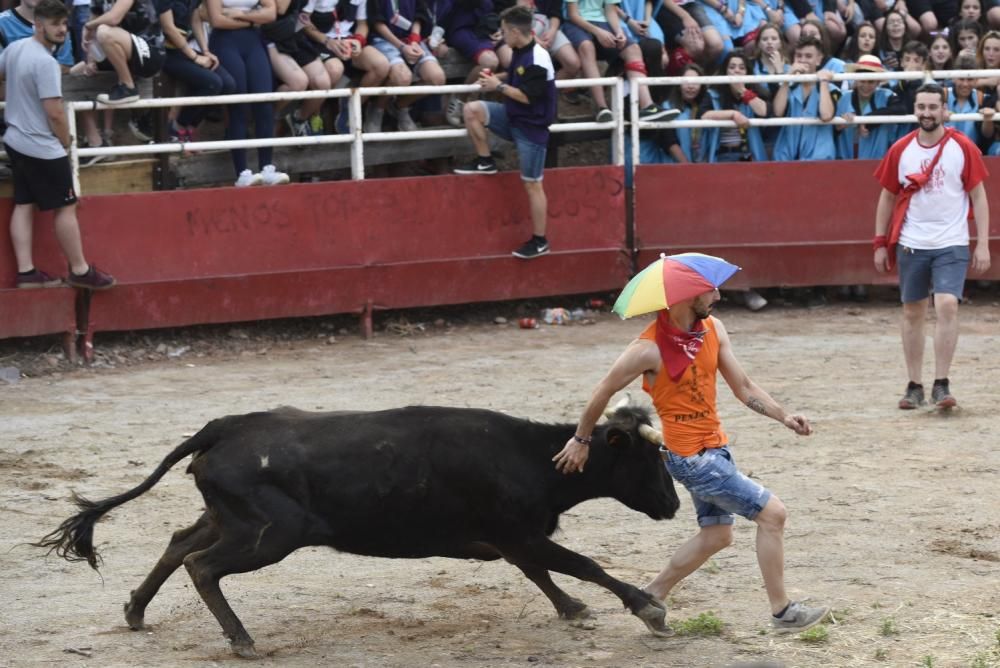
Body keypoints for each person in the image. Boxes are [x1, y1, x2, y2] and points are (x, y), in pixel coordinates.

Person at [552, 258, 829, 634]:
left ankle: (650, 597)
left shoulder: (713, 329)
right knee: (773, 515)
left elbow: (744, 387)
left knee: (718, 535)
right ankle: (782, 612)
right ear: (684, 296)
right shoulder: (647, 349)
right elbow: (604, 389)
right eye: (709, 289)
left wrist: (783, 416)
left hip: (716, 450)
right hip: (692, 460)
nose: (717, 294)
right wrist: (581, 439)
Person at [873, 82, 991, 410]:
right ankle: (914, 384)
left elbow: (978, 197)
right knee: (912, 311)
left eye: (932, 107)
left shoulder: (963, 147)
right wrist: (880, 242)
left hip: (952, 241)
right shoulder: (901, 149)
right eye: (921, 107)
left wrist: (982, 243)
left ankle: (942, 383)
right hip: (912, 242)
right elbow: (887, 197)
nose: (926, 113)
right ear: (916, 109)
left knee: (947, 305)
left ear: (944, 110)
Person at [1, 0, 115, 290]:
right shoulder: (45, 62)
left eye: (64, 23)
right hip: (41, 146)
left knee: (24, 203)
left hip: (15, 139)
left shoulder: (15, 49)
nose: (62, 29)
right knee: (66, 206)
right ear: (38, 24)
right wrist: (66, 142)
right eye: (55, 24)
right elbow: (54, 111)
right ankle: (79, 269)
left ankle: (26, 272)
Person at [453, 5, 556, 259]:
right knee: (472, 110)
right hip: (512, 118)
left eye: (503, 31)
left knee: (533, 184)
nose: (500, 35)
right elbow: (515, 78)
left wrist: (496, 86)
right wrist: (493, 77)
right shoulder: (520, 50)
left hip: (531, 129)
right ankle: (485, 161)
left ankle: (540, 240)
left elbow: (526, 96)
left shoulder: (538, 58)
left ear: (513, 31)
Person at [205, 0, 290, 186]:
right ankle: (242, 172)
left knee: (264, 102)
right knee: (239, 105)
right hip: (225, 41)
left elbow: (271, 13)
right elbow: (217, 20)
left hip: (253, 41)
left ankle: (267, 167)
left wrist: (240, 15)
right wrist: (253, 20)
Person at [562, 0, 677, 122]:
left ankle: (647, 106)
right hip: (576, 24)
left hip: (603, 21)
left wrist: (619, 32)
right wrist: (598, 32)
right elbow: (573, 15)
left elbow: (610, 9)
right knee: (587, 47)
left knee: (633, 49)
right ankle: (602, 107)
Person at [81, 0, 167, 104]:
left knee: (104, 32)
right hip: (124, 52)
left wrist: (88, 25)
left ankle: (128, 87)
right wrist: (91, 61)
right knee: (78, 71)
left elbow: (114, 18)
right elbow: (91, 36)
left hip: (150, 51)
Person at [772, 35, 838, 161]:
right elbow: (778, 112)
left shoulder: (830, 88)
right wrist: (788, 78)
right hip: (786, 157)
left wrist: (823, 82)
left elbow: (826, 115)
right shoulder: (788, 86)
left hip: (819, 159)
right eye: (799, 56)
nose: (802, 60)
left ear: (819, 60)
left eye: (808, 56)